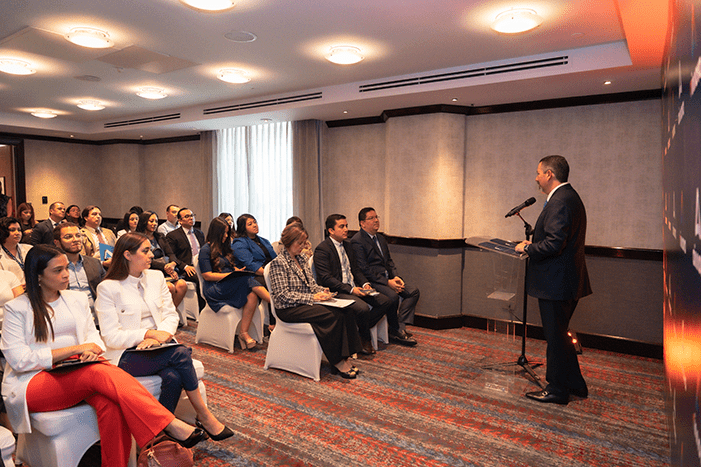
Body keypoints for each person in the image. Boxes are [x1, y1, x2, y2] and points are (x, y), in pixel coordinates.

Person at [1, 245, 207, 467]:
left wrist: (91, 349)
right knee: (98, 373)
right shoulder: (17, 308)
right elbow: (19, 360)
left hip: (80, 369)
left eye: (66, 269)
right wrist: (75, 350)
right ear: (38, 275)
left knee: (111, 403)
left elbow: (95, 337)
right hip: (34, 381)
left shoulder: (75, 299)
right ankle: (167, 423)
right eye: (57, 270)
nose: (65, 275)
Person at [95, 233, 233, 441]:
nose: (152, 255)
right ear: (127, 255)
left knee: (173, 376)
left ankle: (159, 433)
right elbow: (111, 336)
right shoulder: (108, 287)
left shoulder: (156, 277)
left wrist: (159, 338)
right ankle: (203, 414)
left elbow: (170, 314)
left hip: (161, 347)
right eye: (145, 251)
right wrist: (147, 334)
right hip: (126, 354)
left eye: (150, 249)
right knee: (180, 354)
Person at [515, 155, 592, 405]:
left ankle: (557, 389)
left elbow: (555, 243)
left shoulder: (559, 201)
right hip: (566, 281)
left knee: (556, 338)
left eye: (538, 173)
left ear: (550, 174)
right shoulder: (570, 197)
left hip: (556, 284)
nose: (536, 178)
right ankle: (575, 384)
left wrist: (528, 249)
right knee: (560, 334)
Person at [268, 223, 363, 379]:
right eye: (300, 243)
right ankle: (337, 361)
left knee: (346, 310)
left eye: (304, 242)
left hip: (304, 303)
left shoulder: (302, 259)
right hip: (288, 309)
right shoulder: (279, 263)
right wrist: (312, 297)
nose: (303, 246)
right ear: (289, 242)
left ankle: (345, 356)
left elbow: (311, 284)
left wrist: (322, 291)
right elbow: (282, 296)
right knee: (331, 315)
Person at [314, 214, 395, 355]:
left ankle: (356, 329)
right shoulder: (322, 249)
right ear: (331, 231)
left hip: (355, 286)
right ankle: (364, 339)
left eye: (346, 225)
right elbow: (326, 279)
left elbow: (356, 270)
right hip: (337, 291)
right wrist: (351, 290)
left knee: (385, 301)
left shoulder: (348, 245)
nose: (346, 229)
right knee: (362, 309)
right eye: (341, 226)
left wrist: (365, 283)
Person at [351, 208, 419, 346]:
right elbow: (364, 269)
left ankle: (398, 325)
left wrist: (396, 277)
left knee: (413, 292)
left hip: (388, 279)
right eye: (371, 218)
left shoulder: (380, 239)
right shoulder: (357, 241)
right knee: (392, 297)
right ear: (362, 223)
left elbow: (389, 261)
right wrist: (387, 283)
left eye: (377, 217)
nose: (376, 220)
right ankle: (395, 330)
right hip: (374, 281)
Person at [198, 218, 262, 350]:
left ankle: (244, 333)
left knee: (252, 294)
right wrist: (231, 275)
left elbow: (228, 266)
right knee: (247, 280)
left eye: (227, 233)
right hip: (214, 287)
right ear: (216, 233)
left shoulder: (224, 247)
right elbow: (207, 275)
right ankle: (275, 304)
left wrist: (236, 271)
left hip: (228, 283)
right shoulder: (205, 250)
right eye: (224, 233)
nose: (226, 236)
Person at [136, 211, 187, 308]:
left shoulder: (160, 236)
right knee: (169, 287)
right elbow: (144, 259)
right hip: (149, 271)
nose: (154, 224)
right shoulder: (138, 238)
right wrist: (165, 267)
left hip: (167, 270)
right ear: (144, 222)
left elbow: (171, 254)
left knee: (182, 285)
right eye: (151, 221)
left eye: (156, 221)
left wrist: (172, 264)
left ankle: (171, 313)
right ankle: (162, 314)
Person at [232, 214, 275, 328]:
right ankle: (273, 323)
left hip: (269, 272)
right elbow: (250, 265)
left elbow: (275, 259)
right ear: (242, 227)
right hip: (252, 275)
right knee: (274, 283)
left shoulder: (264, 241)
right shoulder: (239, 243)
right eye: (250, 224)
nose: (255, 225)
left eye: (255, 222)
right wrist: (270, 274)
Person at [53, 222, 104, 315]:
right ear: (57, 243)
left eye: (78, 235)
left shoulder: (94, 263)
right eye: (68, 237)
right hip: (67, 317)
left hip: (96, 317)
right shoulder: (53, 267)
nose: (76, 240)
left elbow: (106, 290)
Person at [166, 208, 205, 308]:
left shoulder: (199, 234)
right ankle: (202, 309)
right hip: (186, 268)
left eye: (192, 215)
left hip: (201, 265)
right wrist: (185, 266)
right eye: (187, 216)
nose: (191, 218)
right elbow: (172, 256)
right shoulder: (173, 236)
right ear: (180, 220)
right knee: (201, 278)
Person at [0, 217, 32, 284]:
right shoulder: (1, 253)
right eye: (12, 230)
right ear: (3, 232)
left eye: (19, 230)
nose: (17, 233)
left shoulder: (29, 249)